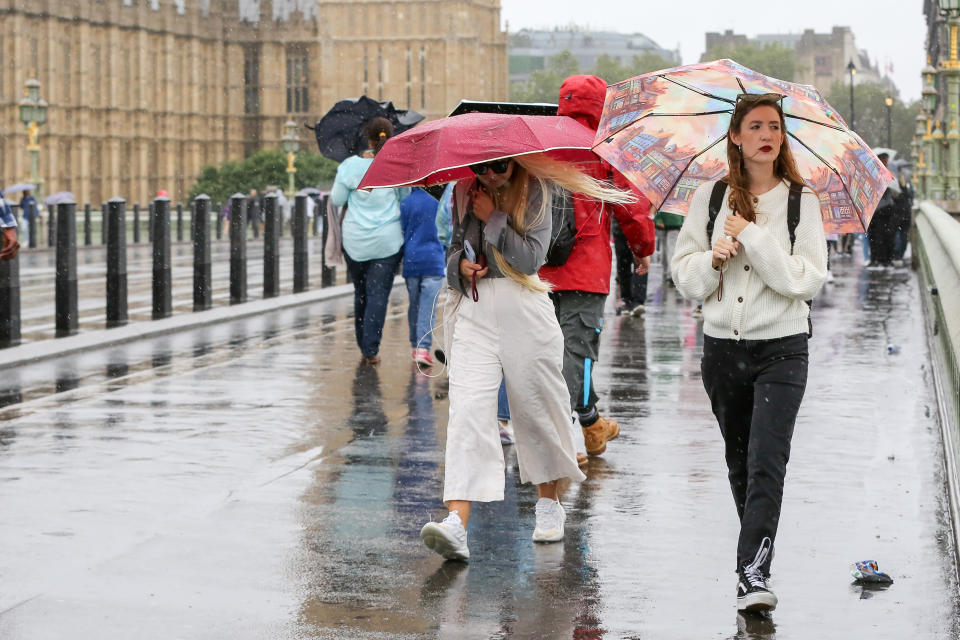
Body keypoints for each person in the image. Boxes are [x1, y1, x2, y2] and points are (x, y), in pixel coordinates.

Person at [419, 154, 631, 561]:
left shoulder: (539, 190)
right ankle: (457, 523)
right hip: (475, 309)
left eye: (500, 167)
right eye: (482, 168)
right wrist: (459, 268)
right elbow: (451, 251)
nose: (491, 175)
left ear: (516, 163)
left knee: (536, 408)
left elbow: (532, 258)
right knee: (467, 412)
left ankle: (549, 503)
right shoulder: (464, 191)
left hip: (525, 306)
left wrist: (494, 217)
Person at [671, 93, 827, 612]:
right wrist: (712, 260)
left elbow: (803, 282)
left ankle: (752, 574)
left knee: (766, 461)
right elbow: (684, 277)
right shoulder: (709, 199)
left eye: (775, 128)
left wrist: (754, 238)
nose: (767, 135)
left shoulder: (803, 202)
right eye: (756, 126)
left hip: (782, 348)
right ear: (735, 136)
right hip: (721, 350)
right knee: (739, 462)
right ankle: (754, 553)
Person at [540, 75, 656, 464]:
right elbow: (631, 206)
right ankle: (569, 431)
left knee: (552, 354)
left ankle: (589, 425)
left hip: (539, 271)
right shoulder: (605, 149)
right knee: (579, 354)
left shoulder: (544, 144)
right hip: (586, 271)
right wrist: (643, 250)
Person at [332, 117, 408, 365]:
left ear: (368, 138)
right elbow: (404, 196)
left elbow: (337, 199)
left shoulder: (348, 166)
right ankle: (370, 348)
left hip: (355, 241)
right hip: (387, 241)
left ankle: (362, 342)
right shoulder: (395, 164)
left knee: (361, 292)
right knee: (378, 295)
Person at [400, 187, 445, 367]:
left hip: (412, 259)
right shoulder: (438, 201)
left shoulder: (406, 202)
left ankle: (415, 345)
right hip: (433, 259)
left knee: (415, 305)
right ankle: (423, 348)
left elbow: (403, 229)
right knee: (428, 307)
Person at [866, 152, 899, 267]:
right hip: (874, 210)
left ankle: (885, 259)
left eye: (886, 160)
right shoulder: (873, 173)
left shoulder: (889, 174)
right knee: (874, 236)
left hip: (886, 210)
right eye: (884, 160)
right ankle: (875, 258)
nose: (885, 162)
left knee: (886, 236)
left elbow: (895, 193)